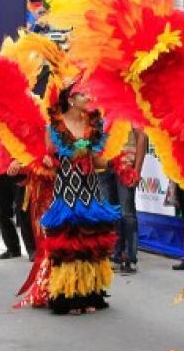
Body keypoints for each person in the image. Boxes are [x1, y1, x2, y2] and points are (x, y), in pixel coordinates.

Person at [19, 83, 120, 314]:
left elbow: (98, 160)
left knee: (90, 244)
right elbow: (49, 159)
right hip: (66, 191)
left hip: (90, 191)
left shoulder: (94, 124)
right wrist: (46, 161)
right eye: (84, 94)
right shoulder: (54, 127)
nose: (89, 97)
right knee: (68, 245)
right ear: (71, 100)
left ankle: (90, 294)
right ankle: (69, 296)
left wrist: (117, 161)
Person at [0, 140, 36, 260]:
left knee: (24, 210)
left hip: (18, 170)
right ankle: (13, 249)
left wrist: (19, 160)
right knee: (3, 213)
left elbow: (27, 139)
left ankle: (32, 248)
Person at [109, 125, 148, 274]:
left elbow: (142, 137)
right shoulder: (95, 104)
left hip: (125, 165)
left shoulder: (129, 103)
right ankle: (115, 255)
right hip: (103, 165)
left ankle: (130, 257)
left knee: (127, 213)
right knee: (110, 213)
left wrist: (137, 170)